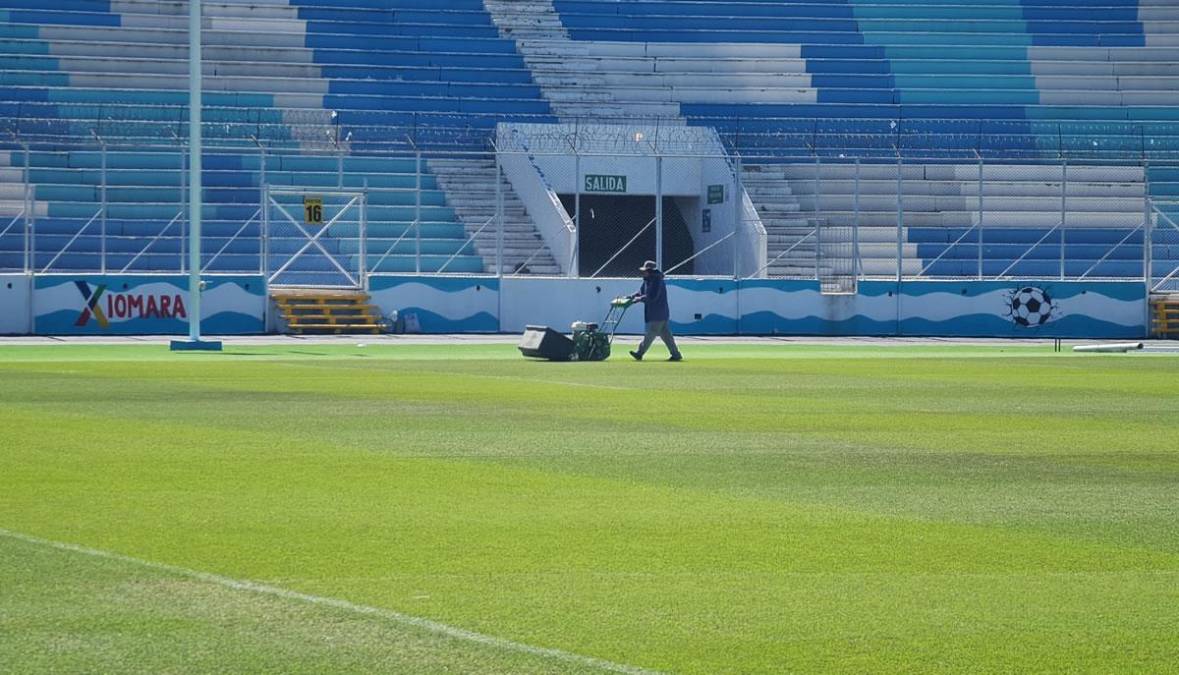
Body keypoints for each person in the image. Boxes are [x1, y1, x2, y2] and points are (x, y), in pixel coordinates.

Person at [629, 260, 682, 362]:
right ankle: (676, 355)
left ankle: (639, 353)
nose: (643, 273)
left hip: (657, 313)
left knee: (650, 333)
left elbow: (652, 297)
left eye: (645, 271)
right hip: (659, 313)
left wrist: (639, 299)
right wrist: (632, 296)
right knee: (666, 336)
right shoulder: (647, 281)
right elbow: (641, 292)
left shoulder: (657, 281)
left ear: (650, 271)